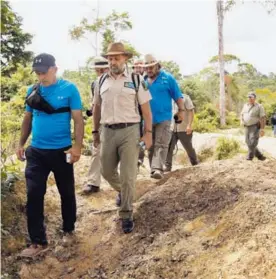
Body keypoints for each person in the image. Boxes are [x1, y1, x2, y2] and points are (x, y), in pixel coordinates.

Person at [16, 53, 84, 258]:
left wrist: (77, 147)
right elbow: (27, 119)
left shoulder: (69, 89)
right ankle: (37, 242)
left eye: (43, 72)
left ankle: (69, 230)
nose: (40, 76)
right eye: (37, 73)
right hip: (36, 151)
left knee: (66, 192)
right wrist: (21, 144)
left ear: (54, 69)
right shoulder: (33, 90)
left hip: (62, 150)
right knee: (34, 193)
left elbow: (78, 121)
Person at [93, 42, 152, 233]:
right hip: (107, 131)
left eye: (116, 58)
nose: (112, 61)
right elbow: (96, 108)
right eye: (110, 58)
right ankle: (124, 192)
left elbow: (146, 110)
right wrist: (95, 132)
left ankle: (126, 213)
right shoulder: (101, 81)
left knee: (128, 175)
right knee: (106, 171)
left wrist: (148, 133)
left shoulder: (136, 79)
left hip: (130, 131)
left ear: (125, 59)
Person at [143, 54, 185, 179]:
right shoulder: (143, 81)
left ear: (157, 65)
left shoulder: (168, 78)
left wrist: (181, 110)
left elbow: (177, 95)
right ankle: (153, 169)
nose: (149, 70)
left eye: (151, 67)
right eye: (147, 68)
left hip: (164, 117)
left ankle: (157, 169)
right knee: (150, 145)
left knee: (161, 143)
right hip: (148, 119)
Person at [83, 57, 109, 194]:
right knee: (97, 150)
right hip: (101, 122)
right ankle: (93, 183)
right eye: (97, 70)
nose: (99, 72)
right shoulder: (95, 84)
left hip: (120, 123)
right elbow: (96, 104)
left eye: (102, 69)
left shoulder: (122, 81)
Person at [165, 94, 198, 171]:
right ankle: (167, 167)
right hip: (172, 128)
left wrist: (189, 125)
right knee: (169, 147)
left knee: (188, 148)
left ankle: (195, 164)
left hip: (184, 128)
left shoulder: (185, 97)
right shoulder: (169, 98)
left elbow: (191, 111)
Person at [240, 92, 266, 161]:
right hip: (246, 126)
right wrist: (242, 121)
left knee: (252, 142)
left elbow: (262, 118)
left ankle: (250, 157)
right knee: (247, 142)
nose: (250, 99)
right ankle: (260, 155)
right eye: (249, 97)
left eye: (251, 97)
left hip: (254, 126)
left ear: (254, 98)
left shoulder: (259, 106)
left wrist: (262, 129)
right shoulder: (245, 105)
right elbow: (242, 114)